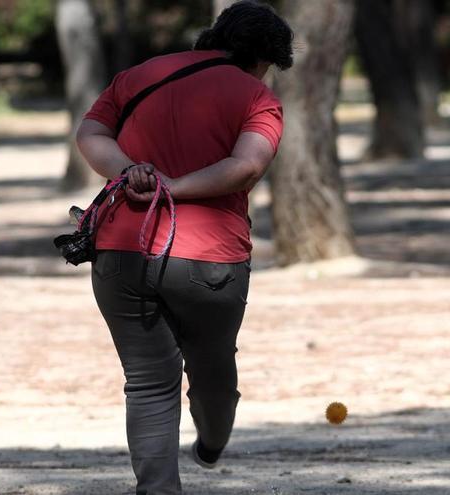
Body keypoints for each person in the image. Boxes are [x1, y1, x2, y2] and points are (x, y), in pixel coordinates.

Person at [75, 2, 293, 493]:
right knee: (214, 372)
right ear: (263, 59)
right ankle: (212, 441)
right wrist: (175, 185)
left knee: (148, 383)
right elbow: (246, 167)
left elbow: (90, 132)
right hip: (209, 258)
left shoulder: (138, 76)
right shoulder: (257, 96)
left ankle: (158, 489)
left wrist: (131, 172)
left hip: (121, 250)